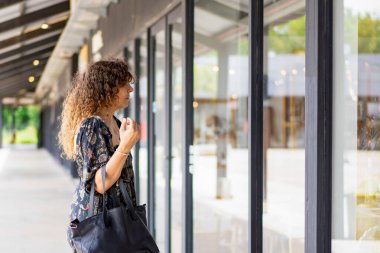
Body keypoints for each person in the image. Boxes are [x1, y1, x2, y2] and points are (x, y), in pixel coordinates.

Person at [57, 58, 141, 251]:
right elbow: (100, 184)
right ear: (107, 88)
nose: (130, 89)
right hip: (101, 224)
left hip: (118, 219)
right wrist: (125, 147)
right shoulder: (92, 126)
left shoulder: (116, 123)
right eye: (124, 84)